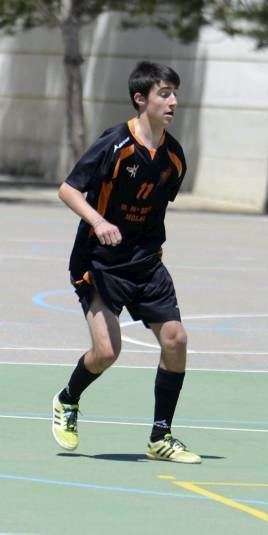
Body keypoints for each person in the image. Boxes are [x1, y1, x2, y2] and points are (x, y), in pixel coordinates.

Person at [51, 61, 201, 463]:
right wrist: (98, 222)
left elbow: (154, 210)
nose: (173, 101)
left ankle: (160, 437)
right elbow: (68, 189)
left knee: (177, 340)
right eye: (164, 93)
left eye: (175, 93)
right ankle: (68, 400)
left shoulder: (174, 158)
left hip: (146, 263)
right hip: (99, 262)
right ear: (141, 99)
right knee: (106, 351)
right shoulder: (115, 144)